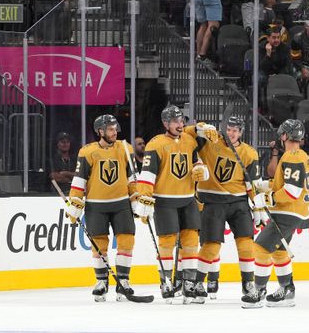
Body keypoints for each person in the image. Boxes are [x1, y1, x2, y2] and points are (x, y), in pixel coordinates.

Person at [135, 105, 209, 303]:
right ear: (165, 123)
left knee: (191, 241)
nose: (180, 124)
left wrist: (201, 169)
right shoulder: (155, 144)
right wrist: (145, 198)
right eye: (175, 121)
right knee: (167, 242)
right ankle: (166, 280)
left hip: (187, 199)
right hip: (165, 200)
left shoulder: (189, 140)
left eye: (181, 121)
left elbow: (197, 162)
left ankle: (189, 282)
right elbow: (147, 175)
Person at [65, 114, 141, 302]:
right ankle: (101, 282)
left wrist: (136, 200)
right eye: (110, 129)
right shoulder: (87, 151)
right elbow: (79, 180)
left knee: (126, 241)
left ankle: (123, 282)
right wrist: (75, 203)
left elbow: (133, 178)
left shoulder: (125, 148)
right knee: (99, 244)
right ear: (100, 131)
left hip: (121, 204)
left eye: (115, 129)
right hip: (96, 206)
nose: (114, 132)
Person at [194, 115, 264, 305]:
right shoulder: (210, 141)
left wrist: (258, 207)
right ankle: (198, 283)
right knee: (211, 246)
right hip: (213, 202)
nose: (232, 133)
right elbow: (191, 133)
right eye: (229, 129)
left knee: (246, 244)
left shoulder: (249, 153)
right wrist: (202, 127)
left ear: (241, 132)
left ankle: (248, 284)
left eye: (236, 130)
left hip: (239, 203)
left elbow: (253, 184)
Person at [244, 119, 309, 308]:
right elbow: (285, 185)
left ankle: (258, 290)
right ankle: (287, 290)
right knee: (280, 251)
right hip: (296, 212)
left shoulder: (291, 157)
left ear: (284, 136)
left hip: (287, 212)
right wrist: (263, 186)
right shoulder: (301, 155)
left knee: (261, 248)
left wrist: (266, 199)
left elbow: (292, 191)